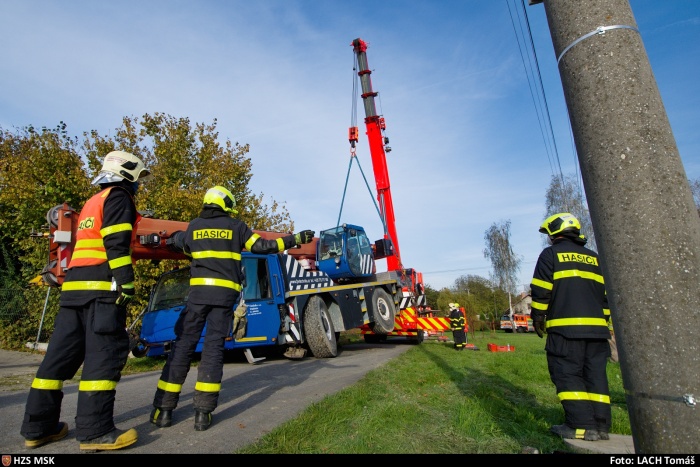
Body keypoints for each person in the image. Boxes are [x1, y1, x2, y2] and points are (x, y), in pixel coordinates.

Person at [150, 185, 314, 431]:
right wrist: (295, 239)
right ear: (226, 205)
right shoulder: (237, 227)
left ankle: (163, 412)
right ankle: (202, 414)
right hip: (224, 298)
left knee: (182, 347)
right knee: (213, 350)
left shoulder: (194, 226)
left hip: (198, 298)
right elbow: (263, 247)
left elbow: (180, 244)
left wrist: (172, 240)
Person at [20, 150, 151, 451]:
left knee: (57, 361)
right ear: (127, 174)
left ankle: (38, 428)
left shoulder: (93, 201)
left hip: (74, 292)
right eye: (138, 179)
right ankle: (95, 432)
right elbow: (116, 243)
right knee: (103, 358)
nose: (138, 185)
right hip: (101, 292)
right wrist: (126, 283)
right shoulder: (119, 197)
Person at [530, 213, 612, 442]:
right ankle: (601, 426)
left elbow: (541, 289)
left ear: (554, 232)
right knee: (595, 377)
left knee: (567, 374)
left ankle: (580, 426)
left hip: (565, 331)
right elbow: (606, 297)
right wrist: (602, 323)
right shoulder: (594, 258)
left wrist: (538, 317)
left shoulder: (551, 254)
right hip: (597, 332)